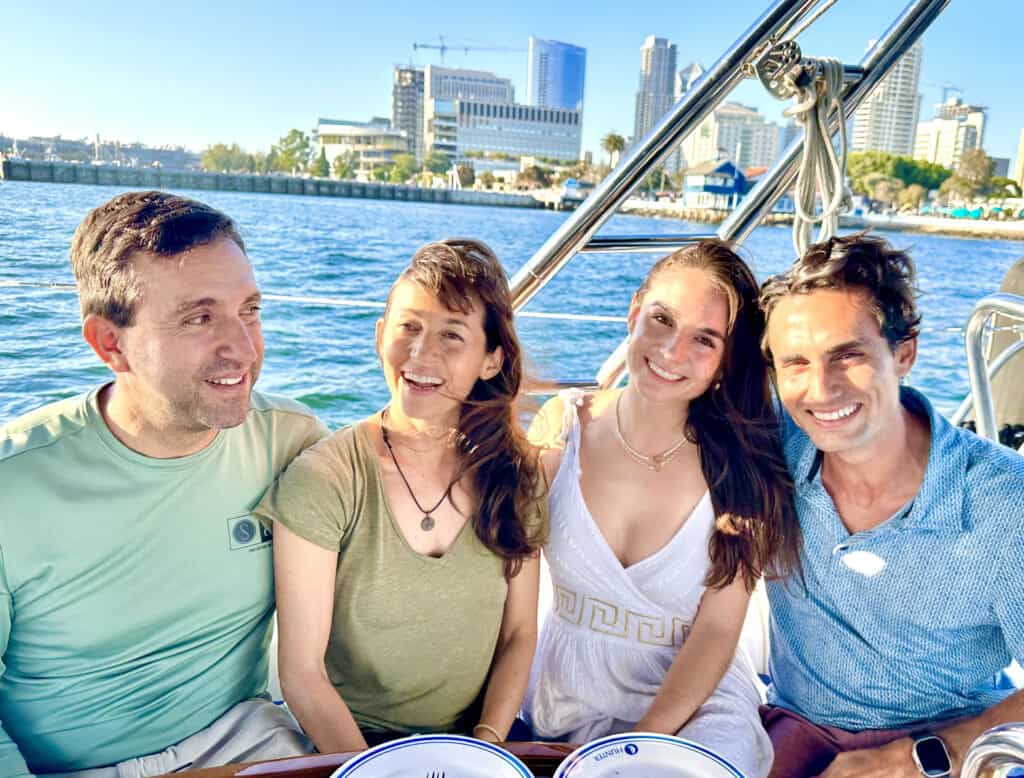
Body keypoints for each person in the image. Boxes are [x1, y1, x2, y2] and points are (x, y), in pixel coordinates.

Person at [0, 191, 326, 778]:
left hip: (247, 743)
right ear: (109, 343)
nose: (244, 347)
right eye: (199, 318)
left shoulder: (290, 441)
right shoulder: (11, 484)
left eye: (249, 310)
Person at [255, 238, 547, 753]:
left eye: (452, 335)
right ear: (378, 337)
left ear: (490, 360)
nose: (420, 353)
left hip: (478, 740)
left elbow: (519, 633)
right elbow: (301, 674)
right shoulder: (325, 478)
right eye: (407, 327)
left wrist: (484, 746)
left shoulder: (514, 477)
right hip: (347, 743)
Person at [522, 240, 801, 778]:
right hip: (567, 694)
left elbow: (719, 630)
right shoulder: (563, 427)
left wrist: (641, 745)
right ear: (634, 314)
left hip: (694, 704)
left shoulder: (741, 468)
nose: (672, 351)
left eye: (704, 339)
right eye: (661, 319)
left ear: (725, 362)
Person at [758, 233, 1024, 778]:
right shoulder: (772, 447)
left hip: (943, 744)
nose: (820, 389)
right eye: (796, 364)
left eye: (847, 356)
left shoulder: (1005, 501)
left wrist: (917, 757)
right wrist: (570, 416)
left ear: (904, 354)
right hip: (794, 726)